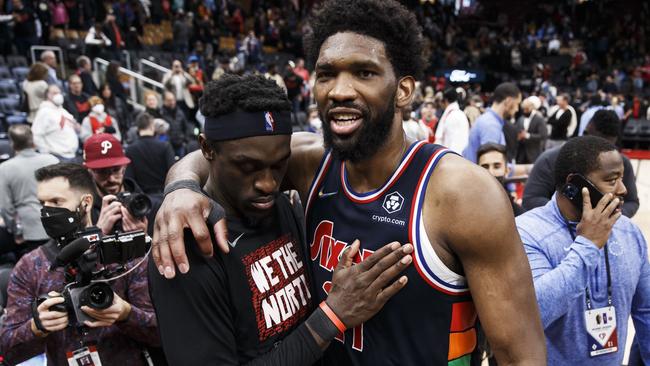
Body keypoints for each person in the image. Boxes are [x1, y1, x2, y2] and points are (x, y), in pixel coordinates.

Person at [152, 1, 546, 364]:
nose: (340, 91)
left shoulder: (462, 193)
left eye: (364, 72)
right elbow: (217, 157)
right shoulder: (308, 163)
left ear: (403, 90)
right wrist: (181, 188)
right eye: (327, 74)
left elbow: (520, 355)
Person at [149, 73, 413, 365]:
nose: (268, 183)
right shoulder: (188, 246)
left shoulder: (279, 204)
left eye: (278, 165)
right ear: (208, 148)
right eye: (247, 166)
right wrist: (332, 316)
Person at [0, 163, 160, 365]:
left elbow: (162, 334)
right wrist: (36, 327)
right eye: (42, 203)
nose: (47, 212)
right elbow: (7, 349)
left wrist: (126, 314)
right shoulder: (30, 266)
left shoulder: (123, 255)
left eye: (56, 202)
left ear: (86, 203)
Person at [516, 136, 650, 365]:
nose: (623, 189)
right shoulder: (527, 233)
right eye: (612, 180)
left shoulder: (628, 232)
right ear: (574, 185)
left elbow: (646, 311)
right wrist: (588, 244)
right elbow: (532, 314)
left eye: (623, 178)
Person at [523, 110, 639, 217]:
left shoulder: (621, 163)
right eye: (612, 180)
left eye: (608, 145)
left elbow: (632, 201)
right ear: (587, 131)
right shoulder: (551, 158)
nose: (622, 190)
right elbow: (531, 199)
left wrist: (611, 215)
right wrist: (573, 213)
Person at [0, 125, 58, 258]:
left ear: (12, 144)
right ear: (33, 141)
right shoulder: (52, 160)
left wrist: (17, 232)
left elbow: (5, 208)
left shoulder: (4, 168)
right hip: (58, 226)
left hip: (30, 233)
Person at [83, 134, 154, 236]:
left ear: (124, 168)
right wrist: (98, 232)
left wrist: (144, 238)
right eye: (101, 172)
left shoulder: (145, 205)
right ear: (89, 172)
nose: (111, 178)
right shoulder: (84, 210)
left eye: (116, 170)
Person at [463, 82, 522, 163]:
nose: (517, 109)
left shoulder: (488, 120)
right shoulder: (491, 125)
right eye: (517, 104)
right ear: (508, 101)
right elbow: (490, 166)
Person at [125, 113, 175, 195]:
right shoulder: (165, 146)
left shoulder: (130, 150)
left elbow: (129, 179)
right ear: (152, 126)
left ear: (137, 128)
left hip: (142, 201)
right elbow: (173, 172)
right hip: (164, 196)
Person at [32, 84, 80, 161]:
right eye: (54, 93)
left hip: (72, 155)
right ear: (47, 95)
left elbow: (75, 126)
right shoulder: (44, 112)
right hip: (57, 157)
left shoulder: (62, 111)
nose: (58, 95)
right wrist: (46, 154)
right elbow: (36, 134)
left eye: (59, 93)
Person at [476, 143, 523, 216]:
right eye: (485, 167)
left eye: (497, 166)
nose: (491, 172)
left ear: (507, 170)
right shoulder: (467, 208)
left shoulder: (518, 215)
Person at [435, 88, 470, 154]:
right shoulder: (458, 114)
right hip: (455, 156)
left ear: (445, 100)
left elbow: (456, 143)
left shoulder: (453, 116)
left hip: (454, 157)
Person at [515, 96, 547, 164]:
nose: (524, 111)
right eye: (523, 109)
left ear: (532, 108)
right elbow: (516, 130)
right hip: (521, 153)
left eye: (526, 109)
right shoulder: (521, 118)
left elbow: (543, 136)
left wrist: (527, 135)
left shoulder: (539, 119)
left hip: (533, 153)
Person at [160, 91, 193, 157]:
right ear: (164, 101)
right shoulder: (160, 114)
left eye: (173, 100)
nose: (172, 102)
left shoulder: (180, 112)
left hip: (181, 145)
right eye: (169, 100)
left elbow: (185, 127)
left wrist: (186, 140)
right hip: (168, 147)